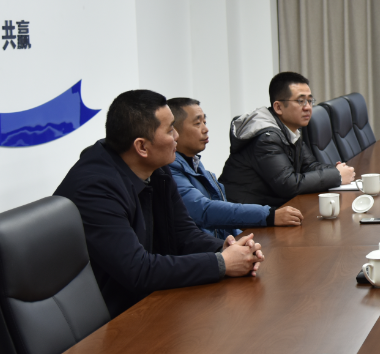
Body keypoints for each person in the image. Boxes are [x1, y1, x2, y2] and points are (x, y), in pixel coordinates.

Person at [54, 90, 264, 318]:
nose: (177, 136)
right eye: (170, 129)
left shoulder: (157, 168)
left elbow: (184, 234)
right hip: (110, 320)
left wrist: (226, 249)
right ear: (142, 147)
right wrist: (220, 263)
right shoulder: (95, 189)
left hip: (147, 303)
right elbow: (138, 270)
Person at [167, 97, 303, 240]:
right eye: (197, 123)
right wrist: (269, 215)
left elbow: (223, 223)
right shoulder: (170, 170)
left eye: (204, 122)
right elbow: (204, 210)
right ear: (173, 130)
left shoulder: (194, 163)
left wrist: (244, 240)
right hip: (207, 250)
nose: (205, 129)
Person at [220, 72, 355, 208]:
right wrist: (336, 175)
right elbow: (288, 185)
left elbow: (309, 166)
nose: (308, 107)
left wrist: (337, 170)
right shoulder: (266, 139)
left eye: (310, 101)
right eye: (300, 101)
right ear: (278, 107)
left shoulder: (290, 130)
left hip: (268, 209)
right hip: (243, 215)